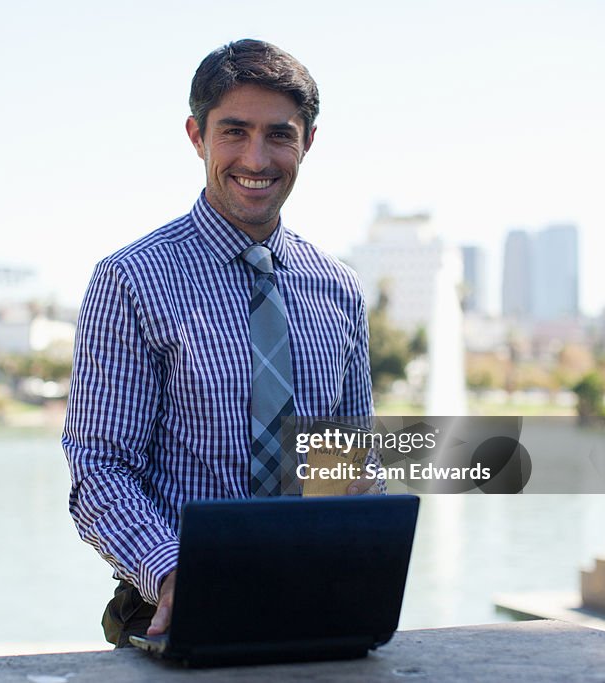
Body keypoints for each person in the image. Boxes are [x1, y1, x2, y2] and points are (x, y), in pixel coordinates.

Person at [62, 38, 384, 649]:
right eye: (233, 131)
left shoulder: (338, 288)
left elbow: (348, 464)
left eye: (279, 135)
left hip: (318, 606)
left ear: (307, 143)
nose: (256, 158)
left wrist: (362, 528)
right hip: (175, 609)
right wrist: (177, 572)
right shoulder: (131, 280)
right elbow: (98, 469)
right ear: (196, 136)